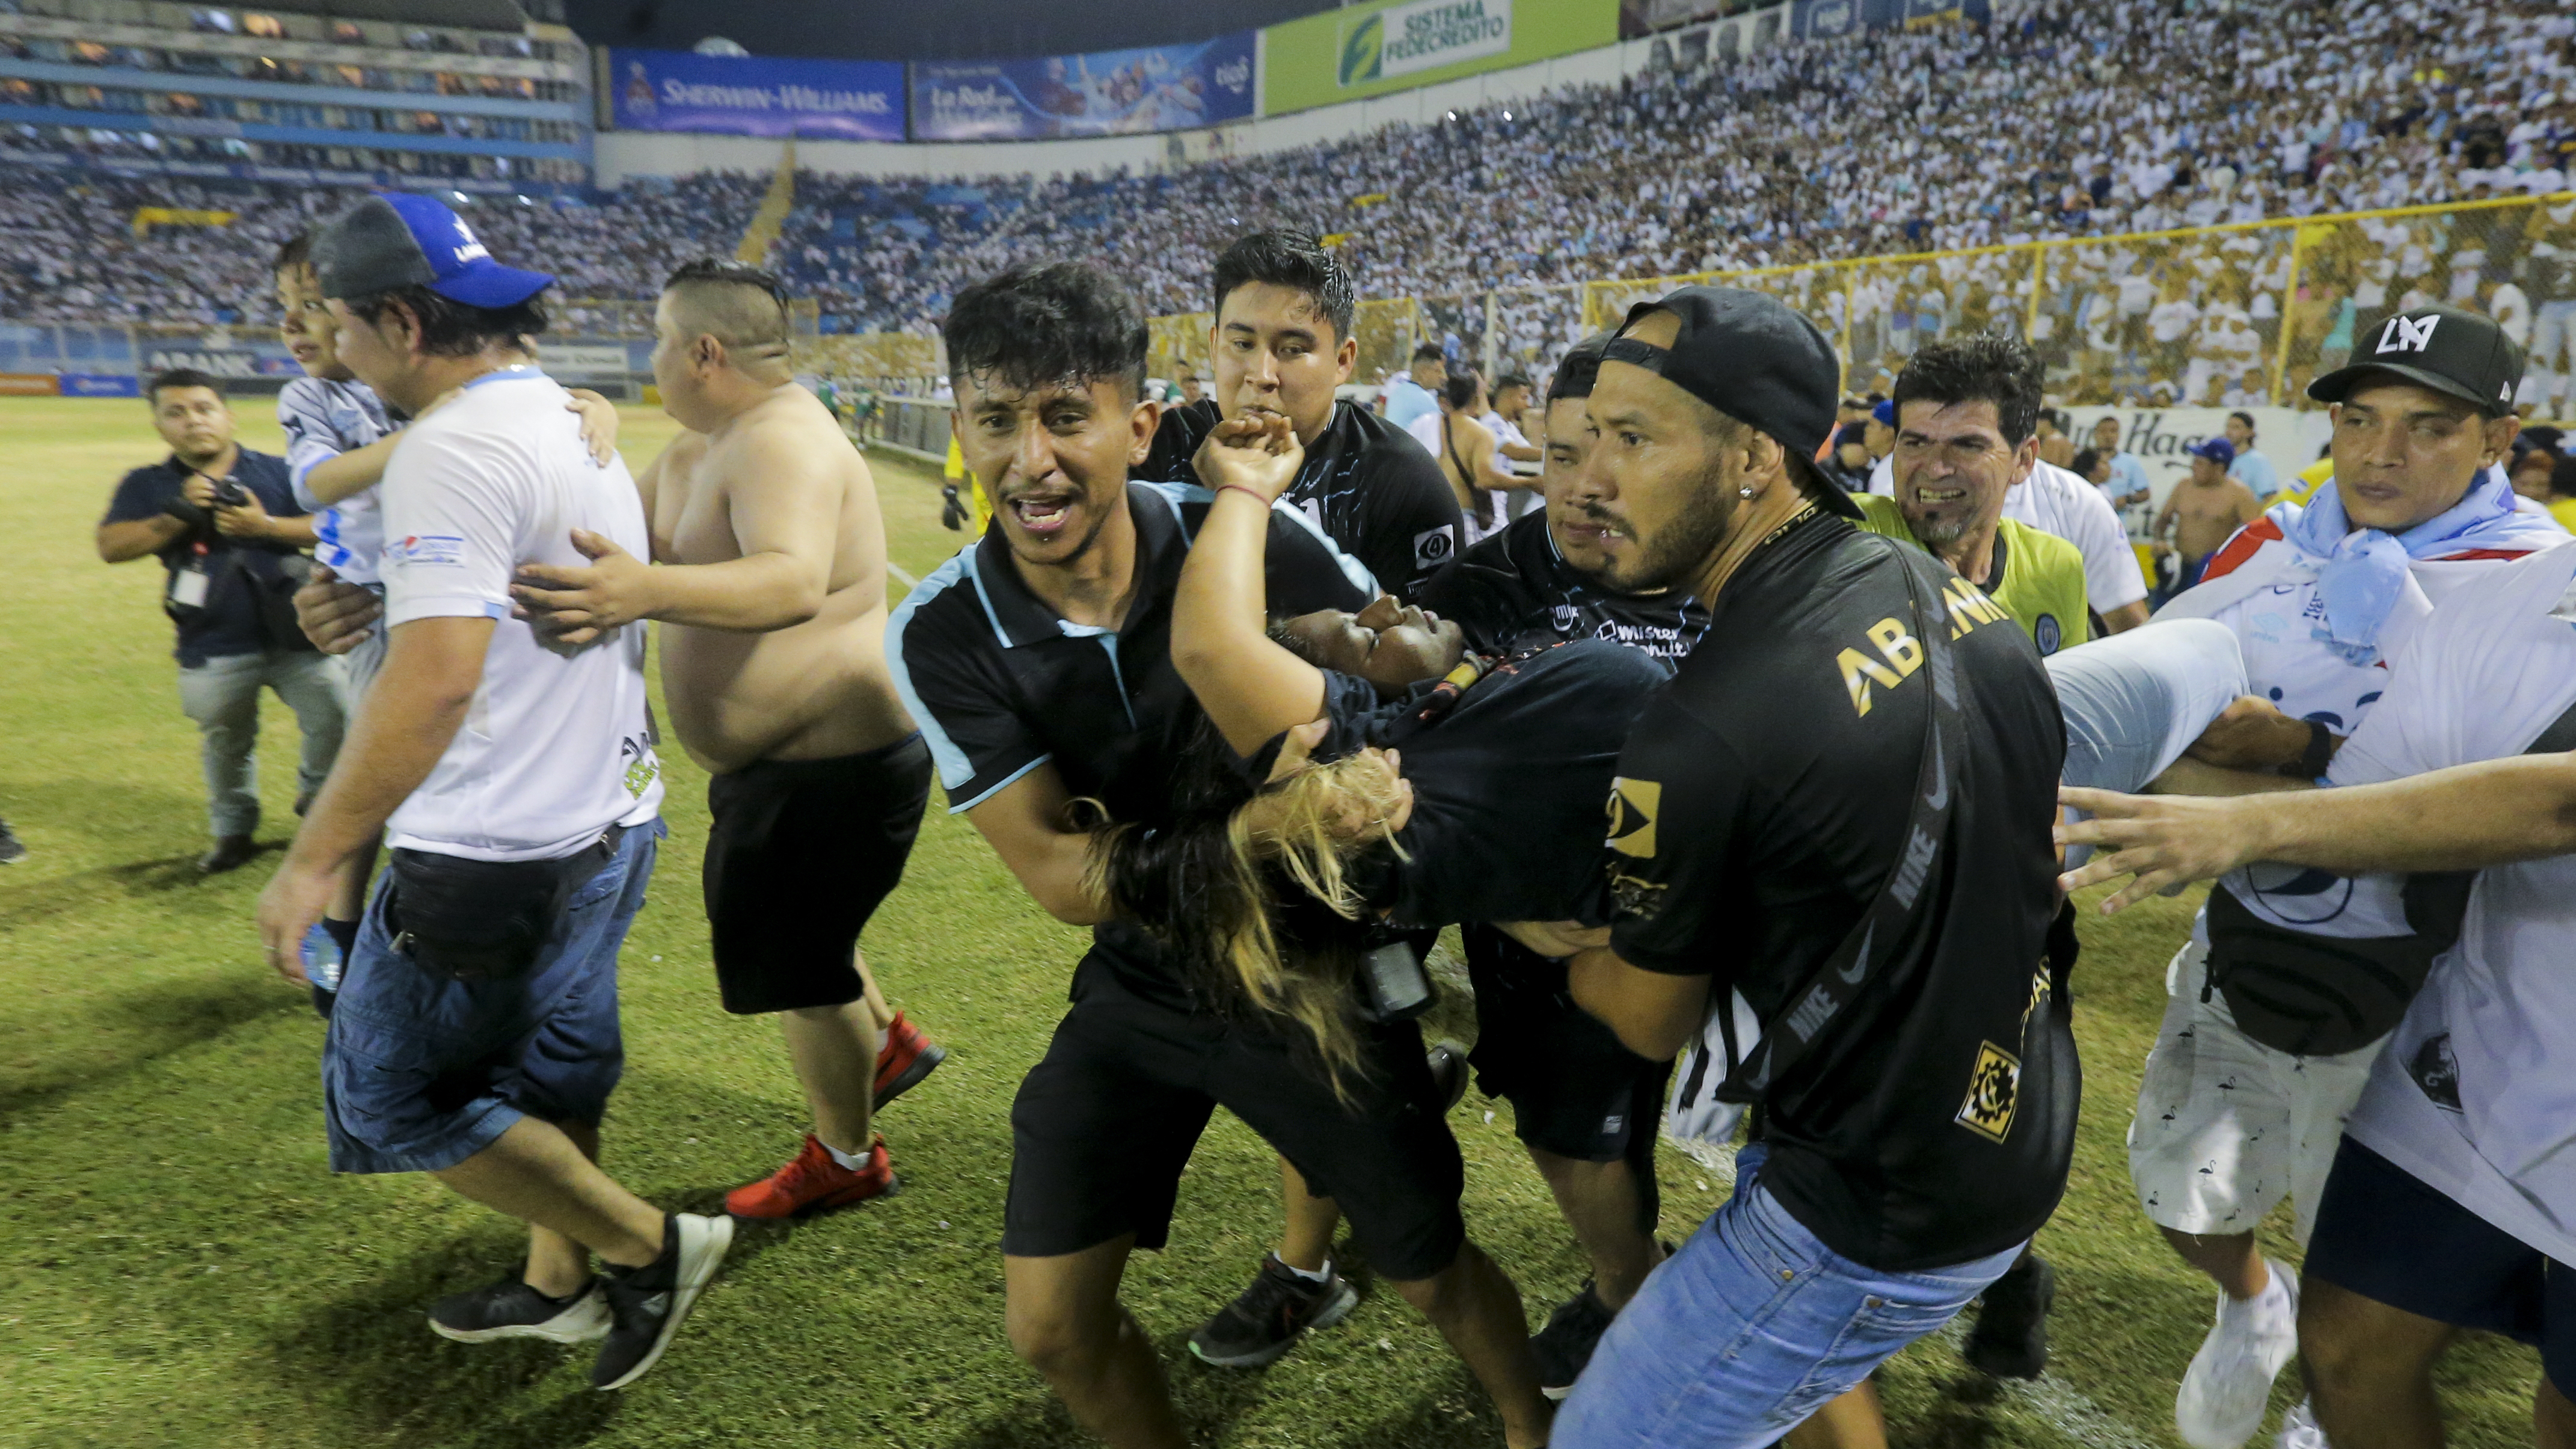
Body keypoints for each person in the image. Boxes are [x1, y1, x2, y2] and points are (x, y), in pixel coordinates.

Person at [885, 261, 1551, 1449]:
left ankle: (1527, 1422)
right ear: (962, 430)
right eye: (996, 419)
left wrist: (1392, 660)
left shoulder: (1243, 535)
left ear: (1136, 425)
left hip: (1312, 980)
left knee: (1430, 1269)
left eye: (1064, 416)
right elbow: (1058, 879)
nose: (1030, 458)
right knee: (1049, 1324)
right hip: (1143, 980)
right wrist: (1264, 823)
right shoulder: (939, 628)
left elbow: (1395, 663)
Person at [1533, 286, 2075, 1448]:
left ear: (1753, 458)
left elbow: (1643, 1018)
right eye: (1581, 443)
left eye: (1632, 440)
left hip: (1870, 1201)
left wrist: (1558, 939)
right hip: (2005, 1117)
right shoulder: (1953, 596)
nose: (1590, 482)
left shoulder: (1699, 728)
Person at [251, 192, 728, 1391]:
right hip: (611, 811)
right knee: (550, 1072)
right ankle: (560, 1285)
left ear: (404, 322)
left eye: (345, 325)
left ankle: (652, 1247)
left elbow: (436, 681)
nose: (337, 350)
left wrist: (315, 857)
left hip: (498, 846)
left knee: (390, 1094)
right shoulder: (566, 419)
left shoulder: (453, 444)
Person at [2132, 303, 2565, 1449]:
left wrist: (2297, 754)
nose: (2380, 452)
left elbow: (2502, 811)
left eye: (2425, 426)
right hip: (2242, 931)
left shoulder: (2534, 583)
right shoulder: (2270, 540)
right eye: (2358, 418)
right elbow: (2157, 696)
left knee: (2362, 1277)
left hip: (2419, 989)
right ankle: (2245, 1300)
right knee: (2177, 1192)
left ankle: (2326, 1407)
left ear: (2495, 437)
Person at [2058, 543, 2576, 1449]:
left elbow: (2559, 805)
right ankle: (2259, 1309)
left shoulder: (2500, 559)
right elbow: (2384, 796)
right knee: (2344, 1346)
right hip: (2476, 1054)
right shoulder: (2507, 598)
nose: (2383, 451)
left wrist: (2250, 819)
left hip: (2447, 1027)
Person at [499, 259, 945, 1220]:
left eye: (657, 341)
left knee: (799, 966)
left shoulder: (781, 441)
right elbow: (618, 520)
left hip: (834, 766)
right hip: (792, 766)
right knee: (807, 931)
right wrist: (603, 444)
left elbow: (790, 580)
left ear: (703, 350)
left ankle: (847, 1154)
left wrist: (646, 591)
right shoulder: (715, 439)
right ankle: (888, 1046)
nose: (647, 361)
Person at [273, 235, 619, 1007]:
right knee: (375, 759)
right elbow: (317, 486)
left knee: (407, 1102)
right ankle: (342, 918)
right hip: (376, 598)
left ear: (399, 326)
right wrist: (437, 430)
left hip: (513, 812)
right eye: (290, 310)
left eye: (318, 309)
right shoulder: (353, 405)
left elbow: (439, 678)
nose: (304, 328)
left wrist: (586, 406)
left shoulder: (463, 416)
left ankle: (345, 910)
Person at [97, 368, 343, 876]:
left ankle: (318, 803)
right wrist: (177, 514)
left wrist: (266, 526)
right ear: (160, 426)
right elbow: (111, 546)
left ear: (227, 415)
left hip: (301, 635)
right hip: (212, 641)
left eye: (204, 409)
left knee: (338, 718)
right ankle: (233, 831)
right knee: (226, 741)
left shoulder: (278, 471)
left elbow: (334, 529)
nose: (193, 421)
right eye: (176, 413)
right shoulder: (148, 484)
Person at [1142, 230, 1464, 601]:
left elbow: (1428, 648)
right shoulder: (1163, 450)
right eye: (1242, 344)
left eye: (1293, 349)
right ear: (1215, 347)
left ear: (1342, 360)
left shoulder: (1399, 480)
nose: (1262, 375)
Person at [1856, 336, 2094, 657]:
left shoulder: (2055, 568)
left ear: (2023, 460)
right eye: (1916, 443)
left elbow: (2066, 703)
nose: (1936, 468)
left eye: (1967, 445)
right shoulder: (1852, 533)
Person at [2152, 438, 2266, 595]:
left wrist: (2230, 563)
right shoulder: (2184, 486)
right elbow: (2163, 519)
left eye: (2200, 463)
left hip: (2211, 571)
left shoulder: (2239, 494)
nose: (2193, 467)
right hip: (2177, 568)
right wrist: (2160, 541)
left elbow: (2256, 535)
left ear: (2219, 468)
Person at [1424, 371, 1521, 546]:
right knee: (1462, 571)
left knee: (1431, 571)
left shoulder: (1424, 423)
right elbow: (1485, 480)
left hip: (1427, 517)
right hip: (1461, 516)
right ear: (1475, 399)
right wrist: (1529, 483)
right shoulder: (1480, 433)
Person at [2091, 413, 2154, 511]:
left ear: (2119, 435)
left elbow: (2145, 494)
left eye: (2113, 431)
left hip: (2117, 522)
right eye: (2103, 431)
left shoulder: (2130, 462)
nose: (2108, 436)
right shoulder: (2085, 460)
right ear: (2095, 434)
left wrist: (2127, 499)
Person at [1382, 341, 1447, 429]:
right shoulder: (1423, 399)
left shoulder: (1398, 391)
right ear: (1424, 372)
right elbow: (1443, 433)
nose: (1444, 377)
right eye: (1438, 371)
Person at [2224, 411, 2281, 499]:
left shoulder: (2258, 460)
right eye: (2228, 427)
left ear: (2249, 432)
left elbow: (2270, 497)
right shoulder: (2224, 460)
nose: (2229, 432)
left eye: (2236, 428)